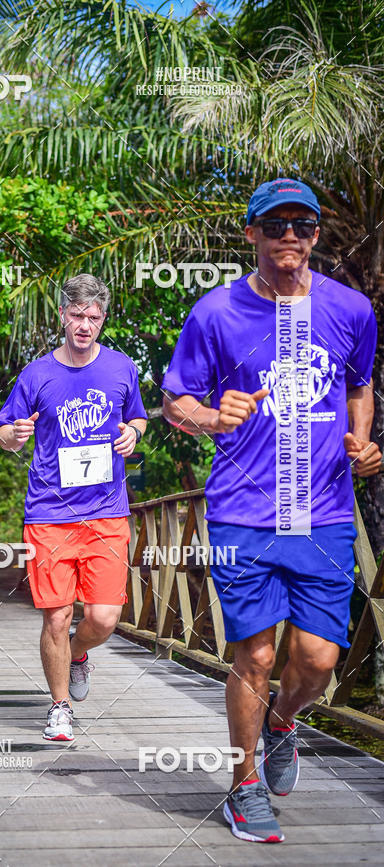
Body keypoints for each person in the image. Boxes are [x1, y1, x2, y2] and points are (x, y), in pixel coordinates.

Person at [162, 178, 380, 843]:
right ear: (250, 232)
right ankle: (242, 785)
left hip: (323, 512)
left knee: (316, 660)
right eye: (277, 223)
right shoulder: (216, 312)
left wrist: (365, 443)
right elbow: (176, 401)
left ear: (317, 235)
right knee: (254, 653)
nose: (291, 234)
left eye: (304, 225)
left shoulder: (351, 309)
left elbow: (359, 383)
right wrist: (208, 415)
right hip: (244, 509)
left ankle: (284, 721)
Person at [0, 274, 147, 742]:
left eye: (93, 317)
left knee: (102, 617)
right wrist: (14, 435)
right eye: (77, 315)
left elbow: (138, 416)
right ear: (63, 315)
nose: (84, 325)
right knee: (57, 615)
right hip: (48, 513)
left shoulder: (122, 368)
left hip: (106, 512)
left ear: (103, 320)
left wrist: (134, 433)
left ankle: (79, 654)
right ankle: (60, 707)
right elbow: (4, 431)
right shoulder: (37, 374)